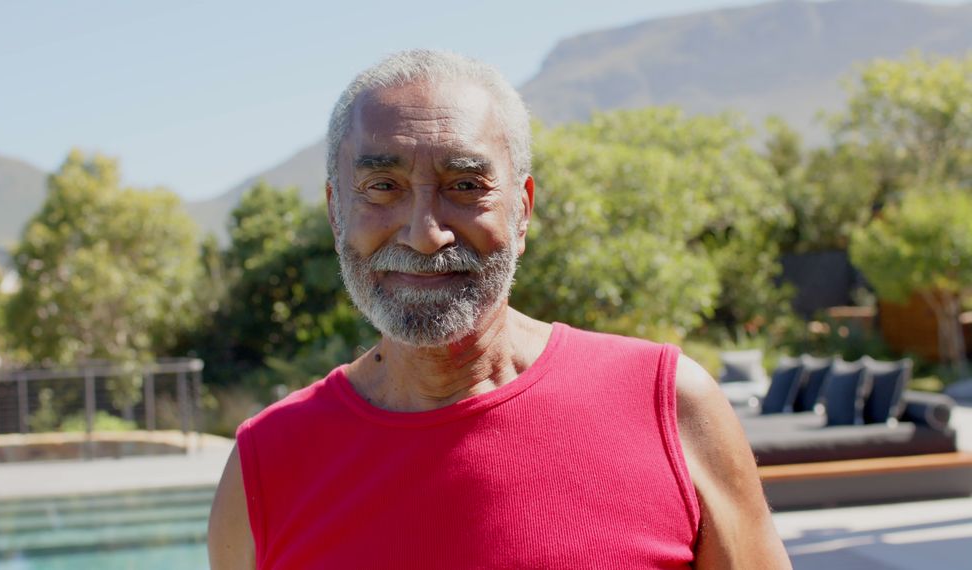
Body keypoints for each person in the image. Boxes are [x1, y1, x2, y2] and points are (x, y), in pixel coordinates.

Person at [208, 49, 791, 569]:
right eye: (382, 186)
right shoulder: (266, 466)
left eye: (464, 186)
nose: (424, 234)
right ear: (337, 213)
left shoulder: (669, 405)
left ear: (522, 209)